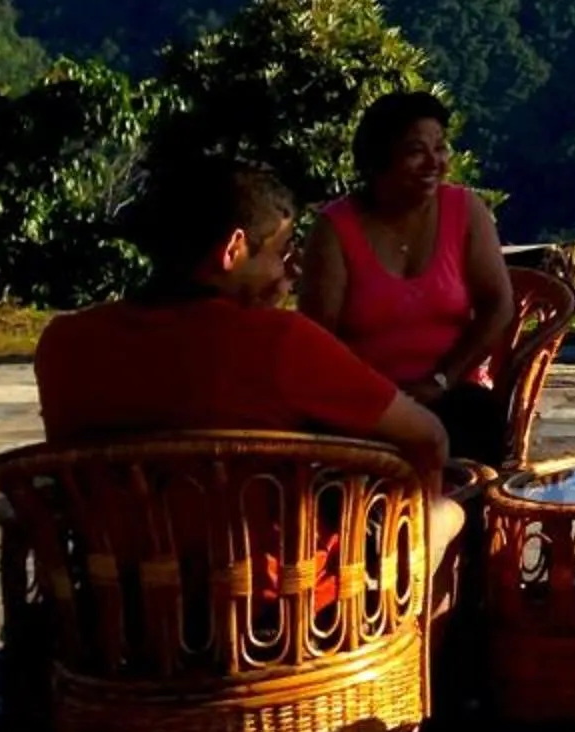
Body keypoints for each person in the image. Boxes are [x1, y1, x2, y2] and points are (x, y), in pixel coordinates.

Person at [34, 159, 461, 562]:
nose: (287, 273)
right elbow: (429, 438)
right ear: (234, 248)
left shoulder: (63, 343)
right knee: (447, 515)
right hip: (271, 612)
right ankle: (423, 637)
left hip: (111, 606)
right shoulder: (280, 342)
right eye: (280, 253)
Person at [299, 91, 517, 464]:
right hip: (365, 400)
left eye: (441, 148)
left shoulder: (465, 211)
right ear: (380, 158)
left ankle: (462, 520)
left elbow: (498, 305)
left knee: (476, 420)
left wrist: (442, 379)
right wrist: (381, 396)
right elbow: (318, 336)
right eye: (416, 151)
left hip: (452, 391)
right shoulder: (335, 229)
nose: (435, 162)